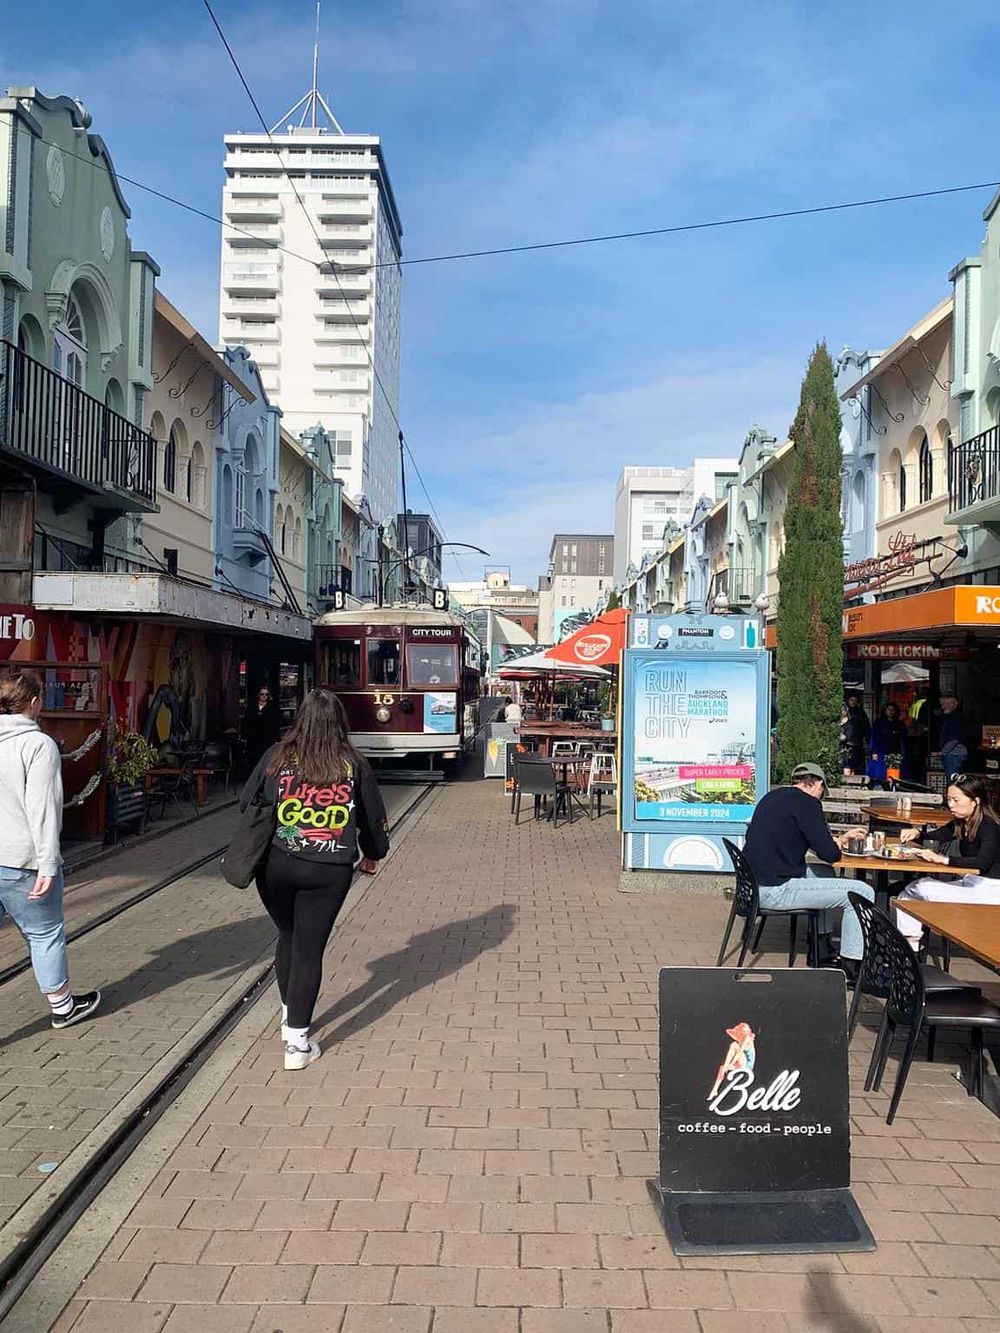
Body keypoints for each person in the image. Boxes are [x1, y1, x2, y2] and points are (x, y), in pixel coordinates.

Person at [242, 689, 389, 1070]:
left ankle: (290, 1013)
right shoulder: (351, 761)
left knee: (288, 936)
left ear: (301, 719)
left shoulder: (277, 757)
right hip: (328, 870)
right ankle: (297, 1044)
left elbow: (247, 802)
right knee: (309, 948)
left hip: (276, 865)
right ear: (339, 721)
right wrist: (373, 853)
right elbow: (373, 817)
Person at [0, 671, 100, 1029]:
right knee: (45, 933)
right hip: (23, 861)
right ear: (34, 702)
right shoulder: (37, 745)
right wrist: (47, 864)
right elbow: (42, 809)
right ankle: (63, 1008)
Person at [742, 762, 874, 981]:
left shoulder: (773, 797)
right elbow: (830, 854)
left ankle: (820, 950)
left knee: (824, 873)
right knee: (861, 892)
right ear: (819, 784)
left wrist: (839, 839)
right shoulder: (808, 804)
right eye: (823, 792)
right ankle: (853, 969)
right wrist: (838, 843)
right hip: (775, 889)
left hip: (754, 885)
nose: (821, 796)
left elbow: (808, 840)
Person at [894, 774, 1000, 948]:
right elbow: (935, 838)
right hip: (971, 883)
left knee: (921, 886)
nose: (950, 804)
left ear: (976, 801)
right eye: (949, 799)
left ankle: (909, 948)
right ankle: (909, 946)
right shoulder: (960, 824)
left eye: (956, 800)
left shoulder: (990, 828)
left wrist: (944, 860)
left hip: (990, 891)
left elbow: (982, 863)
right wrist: (917, 834)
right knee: (906, 895)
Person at [242, 683, 281, 774]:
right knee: (253, 759)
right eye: (262, 694)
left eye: (266, 694)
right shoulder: (252, 707)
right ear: (258, 695)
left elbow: (275, 724)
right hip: (253, 738)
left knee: (266, 759)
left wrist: (276, 738)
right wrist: (244, 735)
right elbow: (246, 721)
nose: (264, 696)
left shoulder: (272, 708)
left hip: (267, 738)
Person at [868, 702, 907, 786]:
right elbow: (874, 737)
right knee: (878, 773)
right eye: (889, 709)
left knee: (893, 773)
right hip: (880, 751)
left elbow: (903, 739)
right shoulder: (879, 723)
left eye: (893, 710)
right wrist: (873, 751)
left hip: (894, 752)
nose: (891, 712)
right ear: (885, 711)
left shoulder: (899, 724)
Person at [938, 695, 968, 782]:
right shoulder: (951, 717)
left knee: (953, 781)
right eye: (943, 704)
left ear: (954, 705)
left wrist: (943, 751)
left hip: (954, 754)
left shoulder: (955, 718)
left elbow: (954, 739)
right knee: (955, 780)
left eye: (947, 704)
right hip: (954, 753)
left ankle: (953, 796)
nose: (943, 707)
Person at [841, 694, 870, 776]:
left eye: (855, 701)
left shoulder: (861, 713)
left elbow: (866, 727)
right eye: (851, 700)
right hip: (846, 742)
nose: (853, 702)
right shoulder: (846, 712)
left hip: (857, 741)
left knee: (854, 763)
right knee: (847, 763)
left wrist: (867, 740)